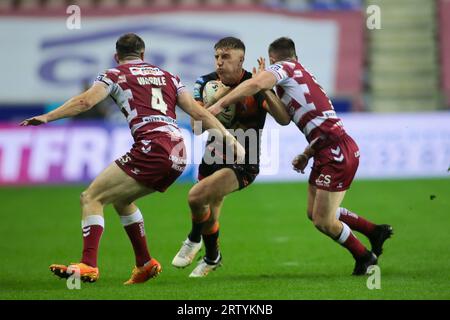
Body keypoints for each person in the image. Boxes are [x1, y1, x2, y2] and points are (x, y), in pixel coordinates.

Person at [20, 33, 244, 284]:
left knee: (91, 197)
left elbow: (85, 102)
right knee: (122, 200)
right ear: (143, 55)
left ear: (117, 56)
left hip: (153, 146)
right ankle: (145, 263)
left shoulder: (113, 74)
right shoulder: (168, 76)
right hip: (178, 150)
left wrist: (47, 118)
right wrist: (231, 140)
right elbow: (197, 112)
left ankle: (88, 265)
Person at [208, 37, 393, 275]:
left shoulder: (283, 67)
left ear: (273, 59)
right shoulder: (299, 75)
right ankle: (373, 231)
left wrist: (219, 104)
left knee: (323, 221)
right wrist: (307, 153)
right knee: (314, 212)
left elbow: (252, 86)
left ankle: (365, 257)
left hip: (335, 151)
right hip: (326, 148)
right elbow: (285, 119)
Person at [171, 37, 285, 277]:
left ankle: (192, 240)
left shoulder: (254, 84)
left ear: (241, 60)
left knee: (195, 197)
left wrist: (264, 87)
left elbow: (283, 119)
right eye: (217, 57)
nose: (219, 62)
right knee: (210, 217)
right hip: (211, 158)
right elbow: (196, 128)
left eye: (226, 57)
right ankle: (213, 258)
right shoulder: (205, 82)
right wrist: (215, 98)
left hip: (243, 161)